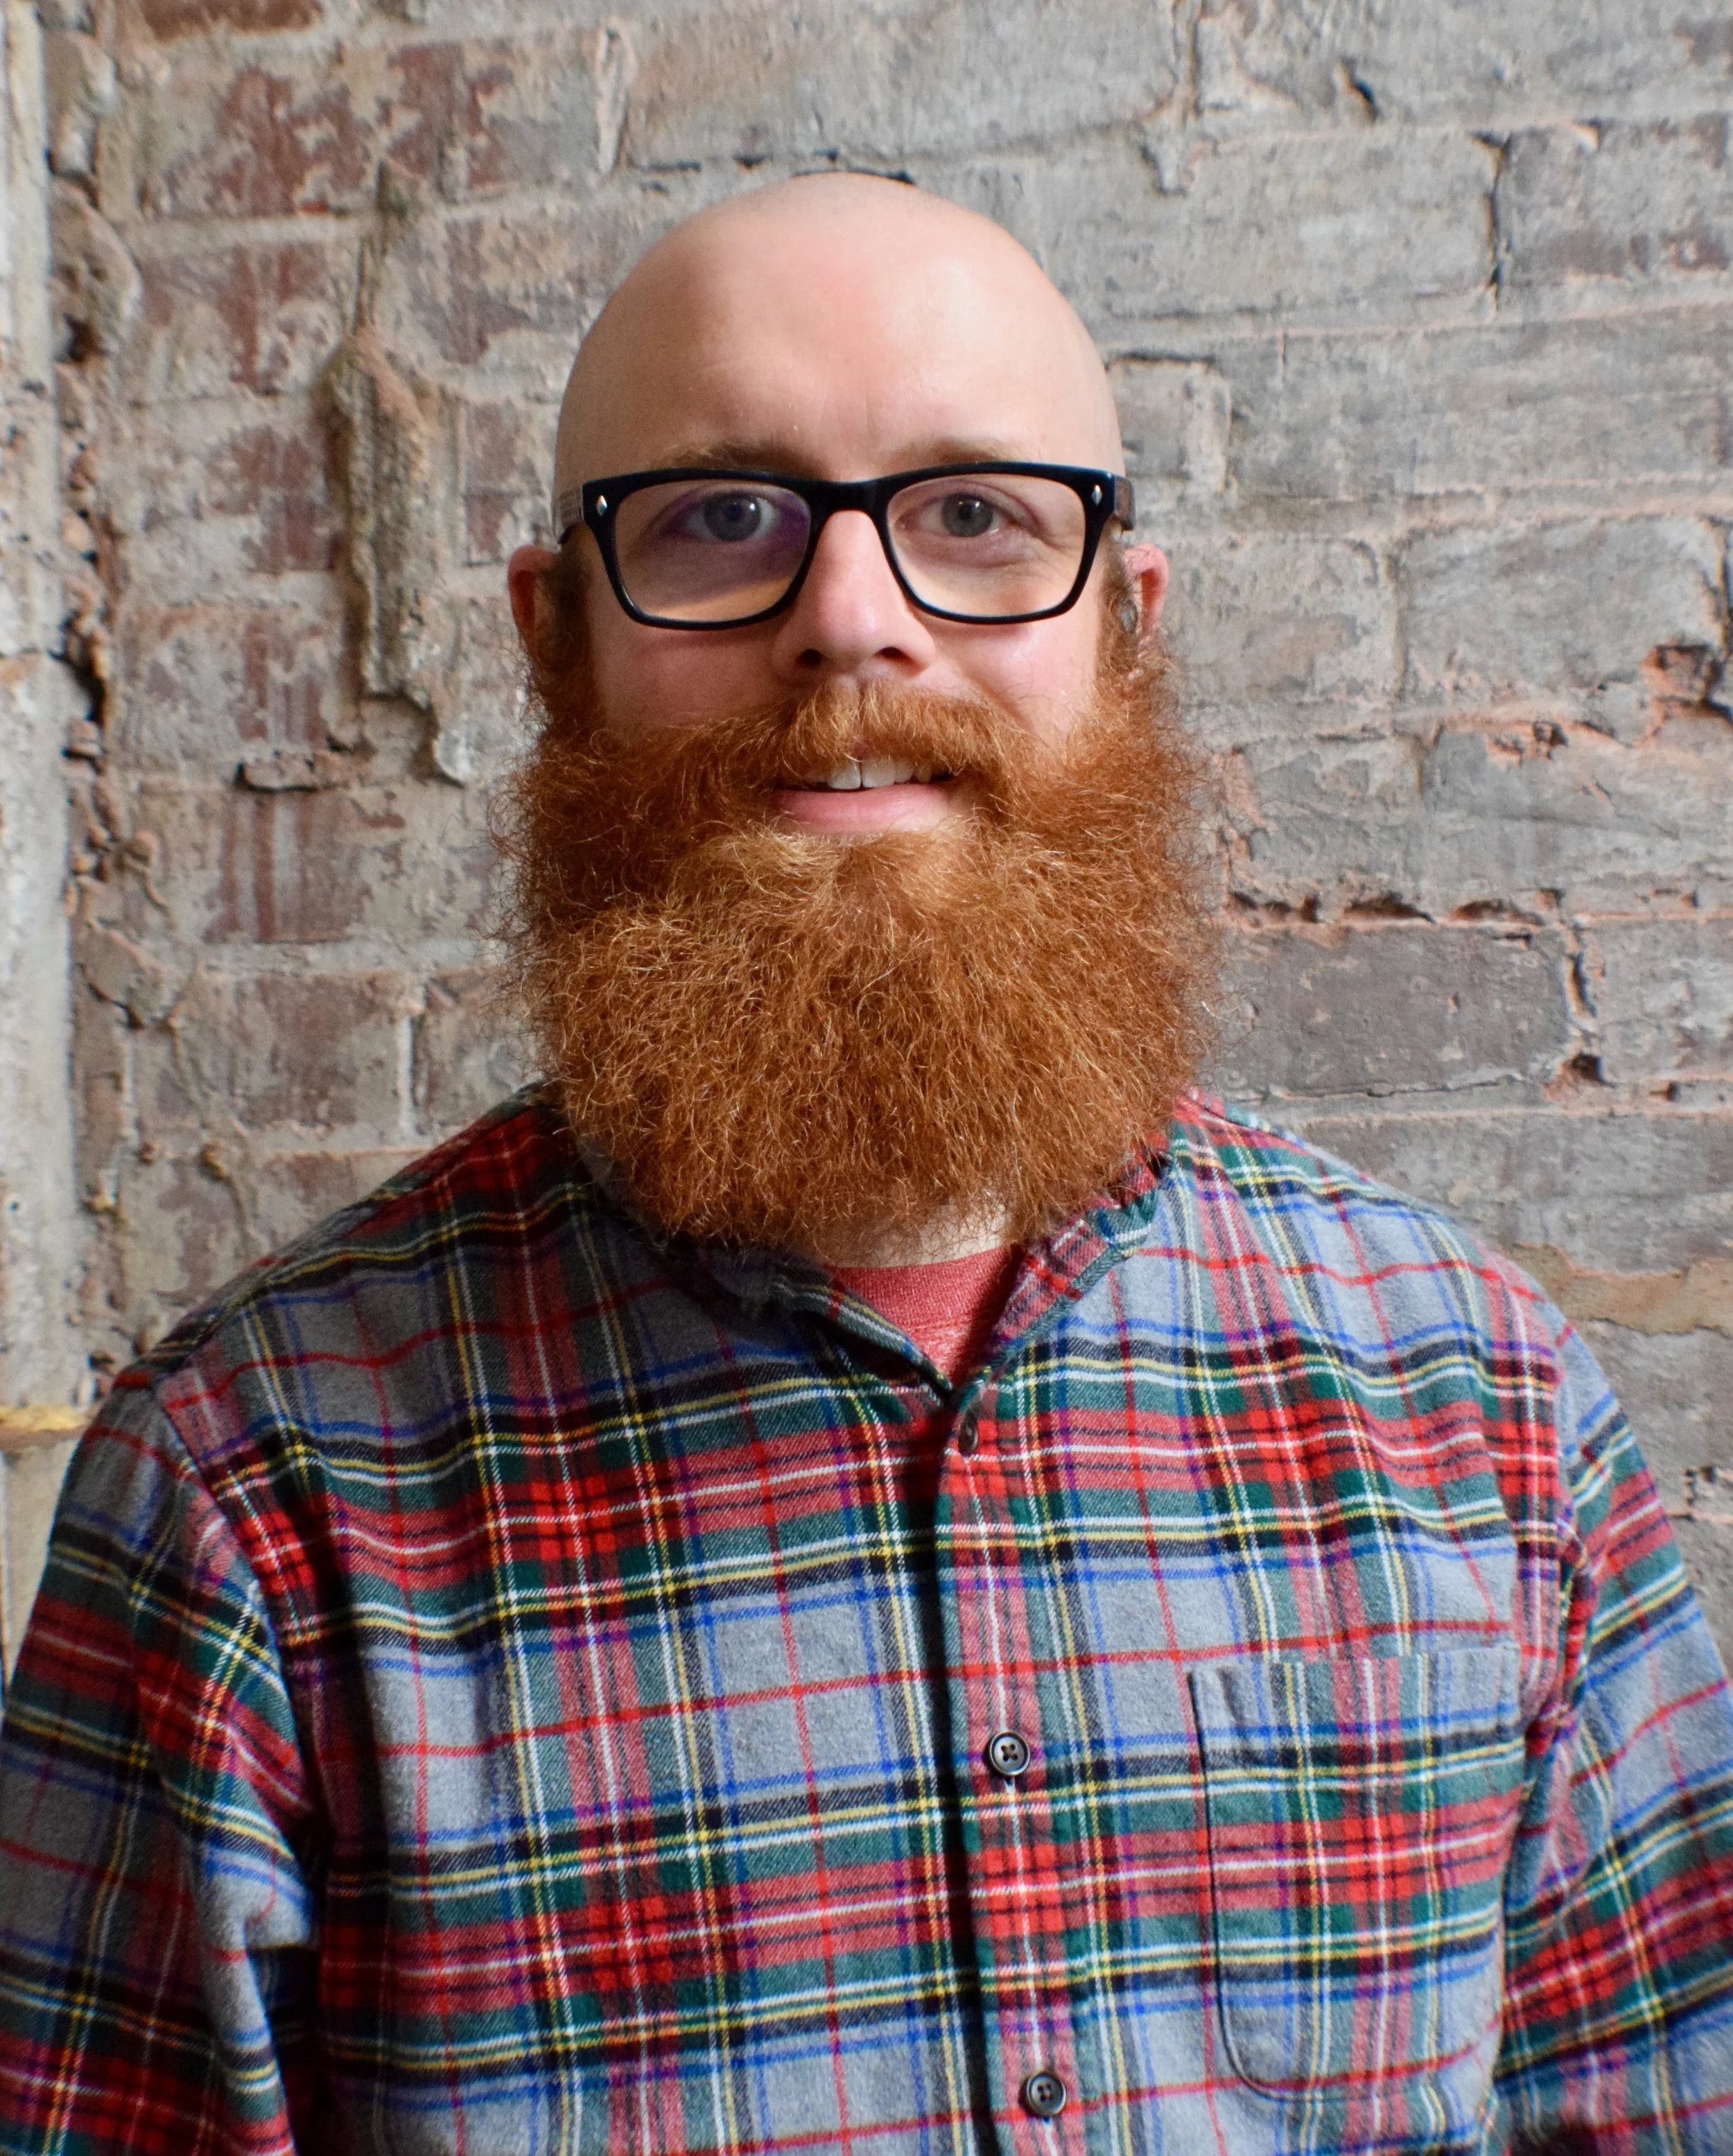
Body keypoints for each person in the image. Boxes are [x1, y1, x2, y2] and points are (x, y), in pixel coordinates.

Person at [2, 174, 1730, 2156]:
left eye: (976, 517)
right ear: (554, 640)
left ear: (1124, 631)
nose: (851, 618)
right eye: (720, 518)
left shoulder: (1485, 1414)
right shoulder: (244, 1496)